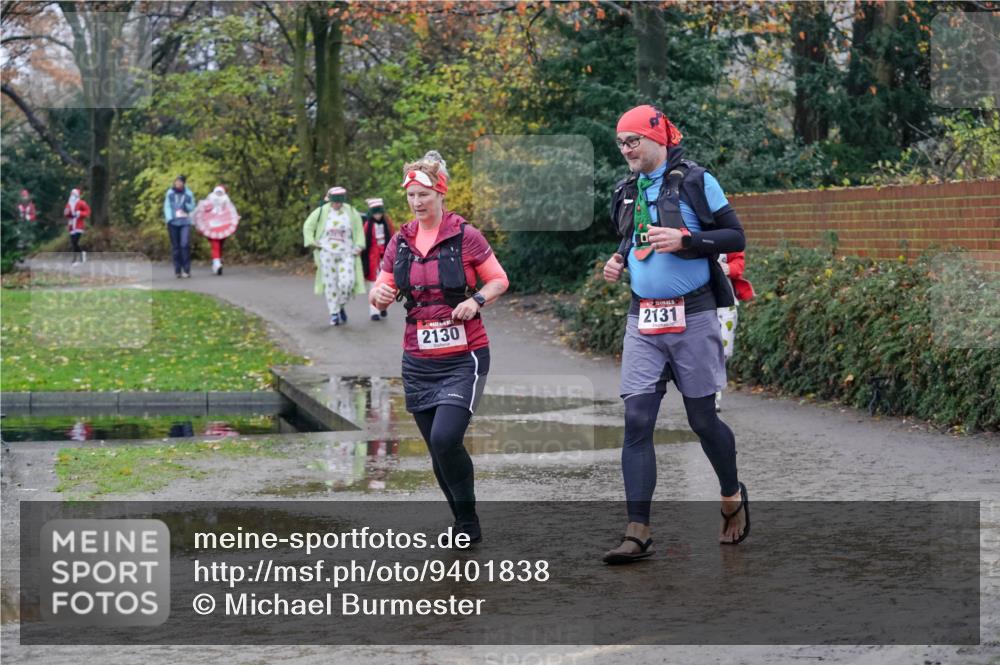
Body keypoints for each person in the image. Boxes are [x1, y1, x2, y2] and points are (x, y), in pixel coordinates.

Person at [601, 105, 750, 564]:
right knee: (637, 420)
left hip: (694, 314)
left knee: (702, 420)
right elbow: (632, 238)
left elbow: (734, 236)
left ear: (656, 139)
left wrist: (687, 241)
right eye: (621, 143)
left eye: (633, 142)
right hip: (643, 322)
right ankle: (637, 531)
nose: (626, 150)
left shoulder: (695, 180)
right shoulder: (626, 190)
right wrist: (619, 260)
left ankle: (730, 495)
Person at [369, 151, 509, 543]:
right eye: (411, 196)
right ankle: (462, 521)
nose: (416, 203)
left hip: (464, 357)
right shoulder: (400, 240)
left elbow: (498, 279)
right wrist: (378, 297)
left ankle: (468, 522)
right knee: (436, 448)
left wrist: (475, 300)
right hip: (417, 359)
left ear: (440, 194)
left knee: (447, 438)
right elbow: (380, 290)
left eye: (423, 195)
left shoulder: (466, 236)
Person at [303, 186, 366, 326]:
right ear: (330, 200)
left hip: (347, 253)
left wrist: (359, 245)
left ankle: (340, 305)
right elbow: (308, 226)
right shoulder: (322, 211)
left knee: (347, 282)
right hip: (327, 253)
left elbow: (358, 229)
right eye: (335, 202)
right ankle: (334, 313)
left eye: (340, 202)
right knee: (330, 284)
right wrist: (313, 241)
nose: (338, 205)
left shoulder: (350, 211)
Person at [715, 251, 755, 412]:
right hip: (700, 305)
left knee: (723, 352)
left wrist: (729, 268)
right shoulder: (692, 232)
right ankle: (712, 397)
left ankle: (714, 391)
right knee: (705, 352)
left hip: (726, 305)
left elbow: (739, 261)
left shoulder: (726, 236)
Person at [194, 184, 240, 276]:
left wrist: (234, 219)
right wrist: (199, 224)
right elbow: (202, 211)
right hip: (211, 226)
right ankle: (216, 263)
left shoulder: (226, 200)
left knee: (220, 244)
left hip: (222, 226)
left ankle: (217, 262)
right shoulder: (210, 199)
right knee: (215, 244)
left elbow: (230, 212)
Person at [361, 197, 394, 321]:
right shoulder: (367, 225)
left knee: (386, 285)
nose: (378, 215)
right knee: (374, 285)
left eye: (380, 213)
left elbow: (393, 238)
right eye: (375, 213)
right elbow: (364, 243)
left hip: (385, 260)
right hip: (372, 261)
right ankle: (373, 311)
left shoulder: (387, 222)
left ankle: (383, 307)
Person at [163, 175, 196, 278]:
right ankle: (178, 270)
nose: (177, 184)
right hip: (173, 222)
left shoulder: (188, 193)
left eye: (179, 182)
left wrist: (186, 205)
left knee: (184, 244)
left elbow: (192, 207)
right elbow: (167, 206)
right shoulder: (170, 193)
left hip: (185, 221)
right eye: (176, 182)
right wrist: (169, 218)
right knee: (176, 247)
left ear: (183, 183)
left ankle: (186, 270)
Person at [63, 188, 90, 264]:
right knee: (73, 242)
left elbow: (87, 212)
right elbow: (67, 214)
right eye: (71, 194)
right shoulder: (68, 204)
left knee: (75, 241)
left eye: (74, 194)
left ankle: (78, 257)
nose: (72, 196)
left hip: (79, 224)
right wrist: (66, 213)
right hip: (71, 225)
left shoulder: (81, 203)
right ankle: (77, 257)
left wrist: (80, 213)